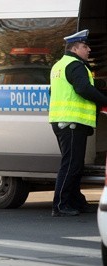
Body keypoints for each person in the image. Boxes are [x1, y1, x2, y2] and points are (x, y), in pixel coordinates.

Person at [49, 29, 107, 217]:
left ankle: (75, 201)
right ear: (75, 48)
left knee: (74, 164)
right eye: (85, 46)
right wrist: (104, 100)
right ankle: (60, 204)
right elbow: (83, 88)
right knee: (71, 165)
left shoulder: (59, 65)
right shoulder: (76, 65)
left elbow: (53, 92)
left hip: (63, 121)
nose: (88, 49)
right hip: (71, 123)